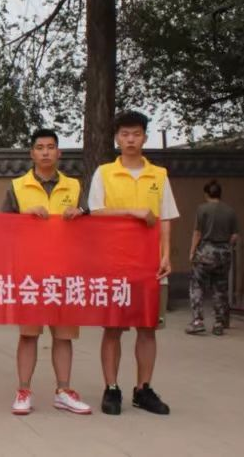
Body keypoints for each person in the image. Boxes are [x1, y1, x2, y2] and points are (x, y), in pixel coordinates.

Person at [89, 111, 178, 416]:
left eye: (136, 134)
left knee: (148, 328)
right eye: (125, 134)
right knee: (113, 328)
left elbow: (165, 217)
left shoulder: (159, 175)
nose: (130, 140)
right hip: (114, 263)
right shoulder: (104, 173)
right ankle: (111, 388)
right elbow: (95, 212)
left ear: (144, 137)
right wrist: (132, 212)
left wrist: (166, 254)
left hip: (149, 264)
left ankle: (143, 389)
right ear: (117, 138)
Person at [1, 129, 91, 416]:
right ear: (32, 153)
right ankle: (23, 390)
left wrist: (80, 214)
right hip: (31, 273)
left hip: (65, 271)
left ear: (59, 152)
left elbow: (91, 226)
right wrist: (25, 218)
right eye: (39, 147)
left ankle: (63, 391)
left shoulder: (74, 186)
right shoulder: (17, 186)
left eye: (51, 147)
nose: (45, 152)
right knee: (29, 335)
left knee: (63, 336)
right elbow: (1, 228)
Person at [186, 180, 239, 336]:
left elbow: (197, 233)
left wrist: (192, 252)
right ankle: (218, 324)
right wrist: (225, 247)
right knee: (220, 288)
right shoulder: (230, 211)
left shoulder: (202, 209)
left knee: (197, 285)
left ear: (206, 194)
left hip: (205, 253)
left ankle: (197, 321)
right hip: (223, 255)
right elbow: (234, 236)